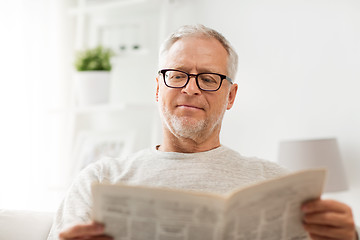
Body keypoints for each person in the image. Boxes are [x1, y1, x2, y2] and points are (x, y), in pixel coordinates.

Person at [48, 24, 358, 240]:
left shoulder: (277, 183)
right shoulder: (101, 179)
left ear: (231, 96)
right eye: (177, 75)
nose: (191, 89)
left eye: (208, 79)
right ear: (158, 88)